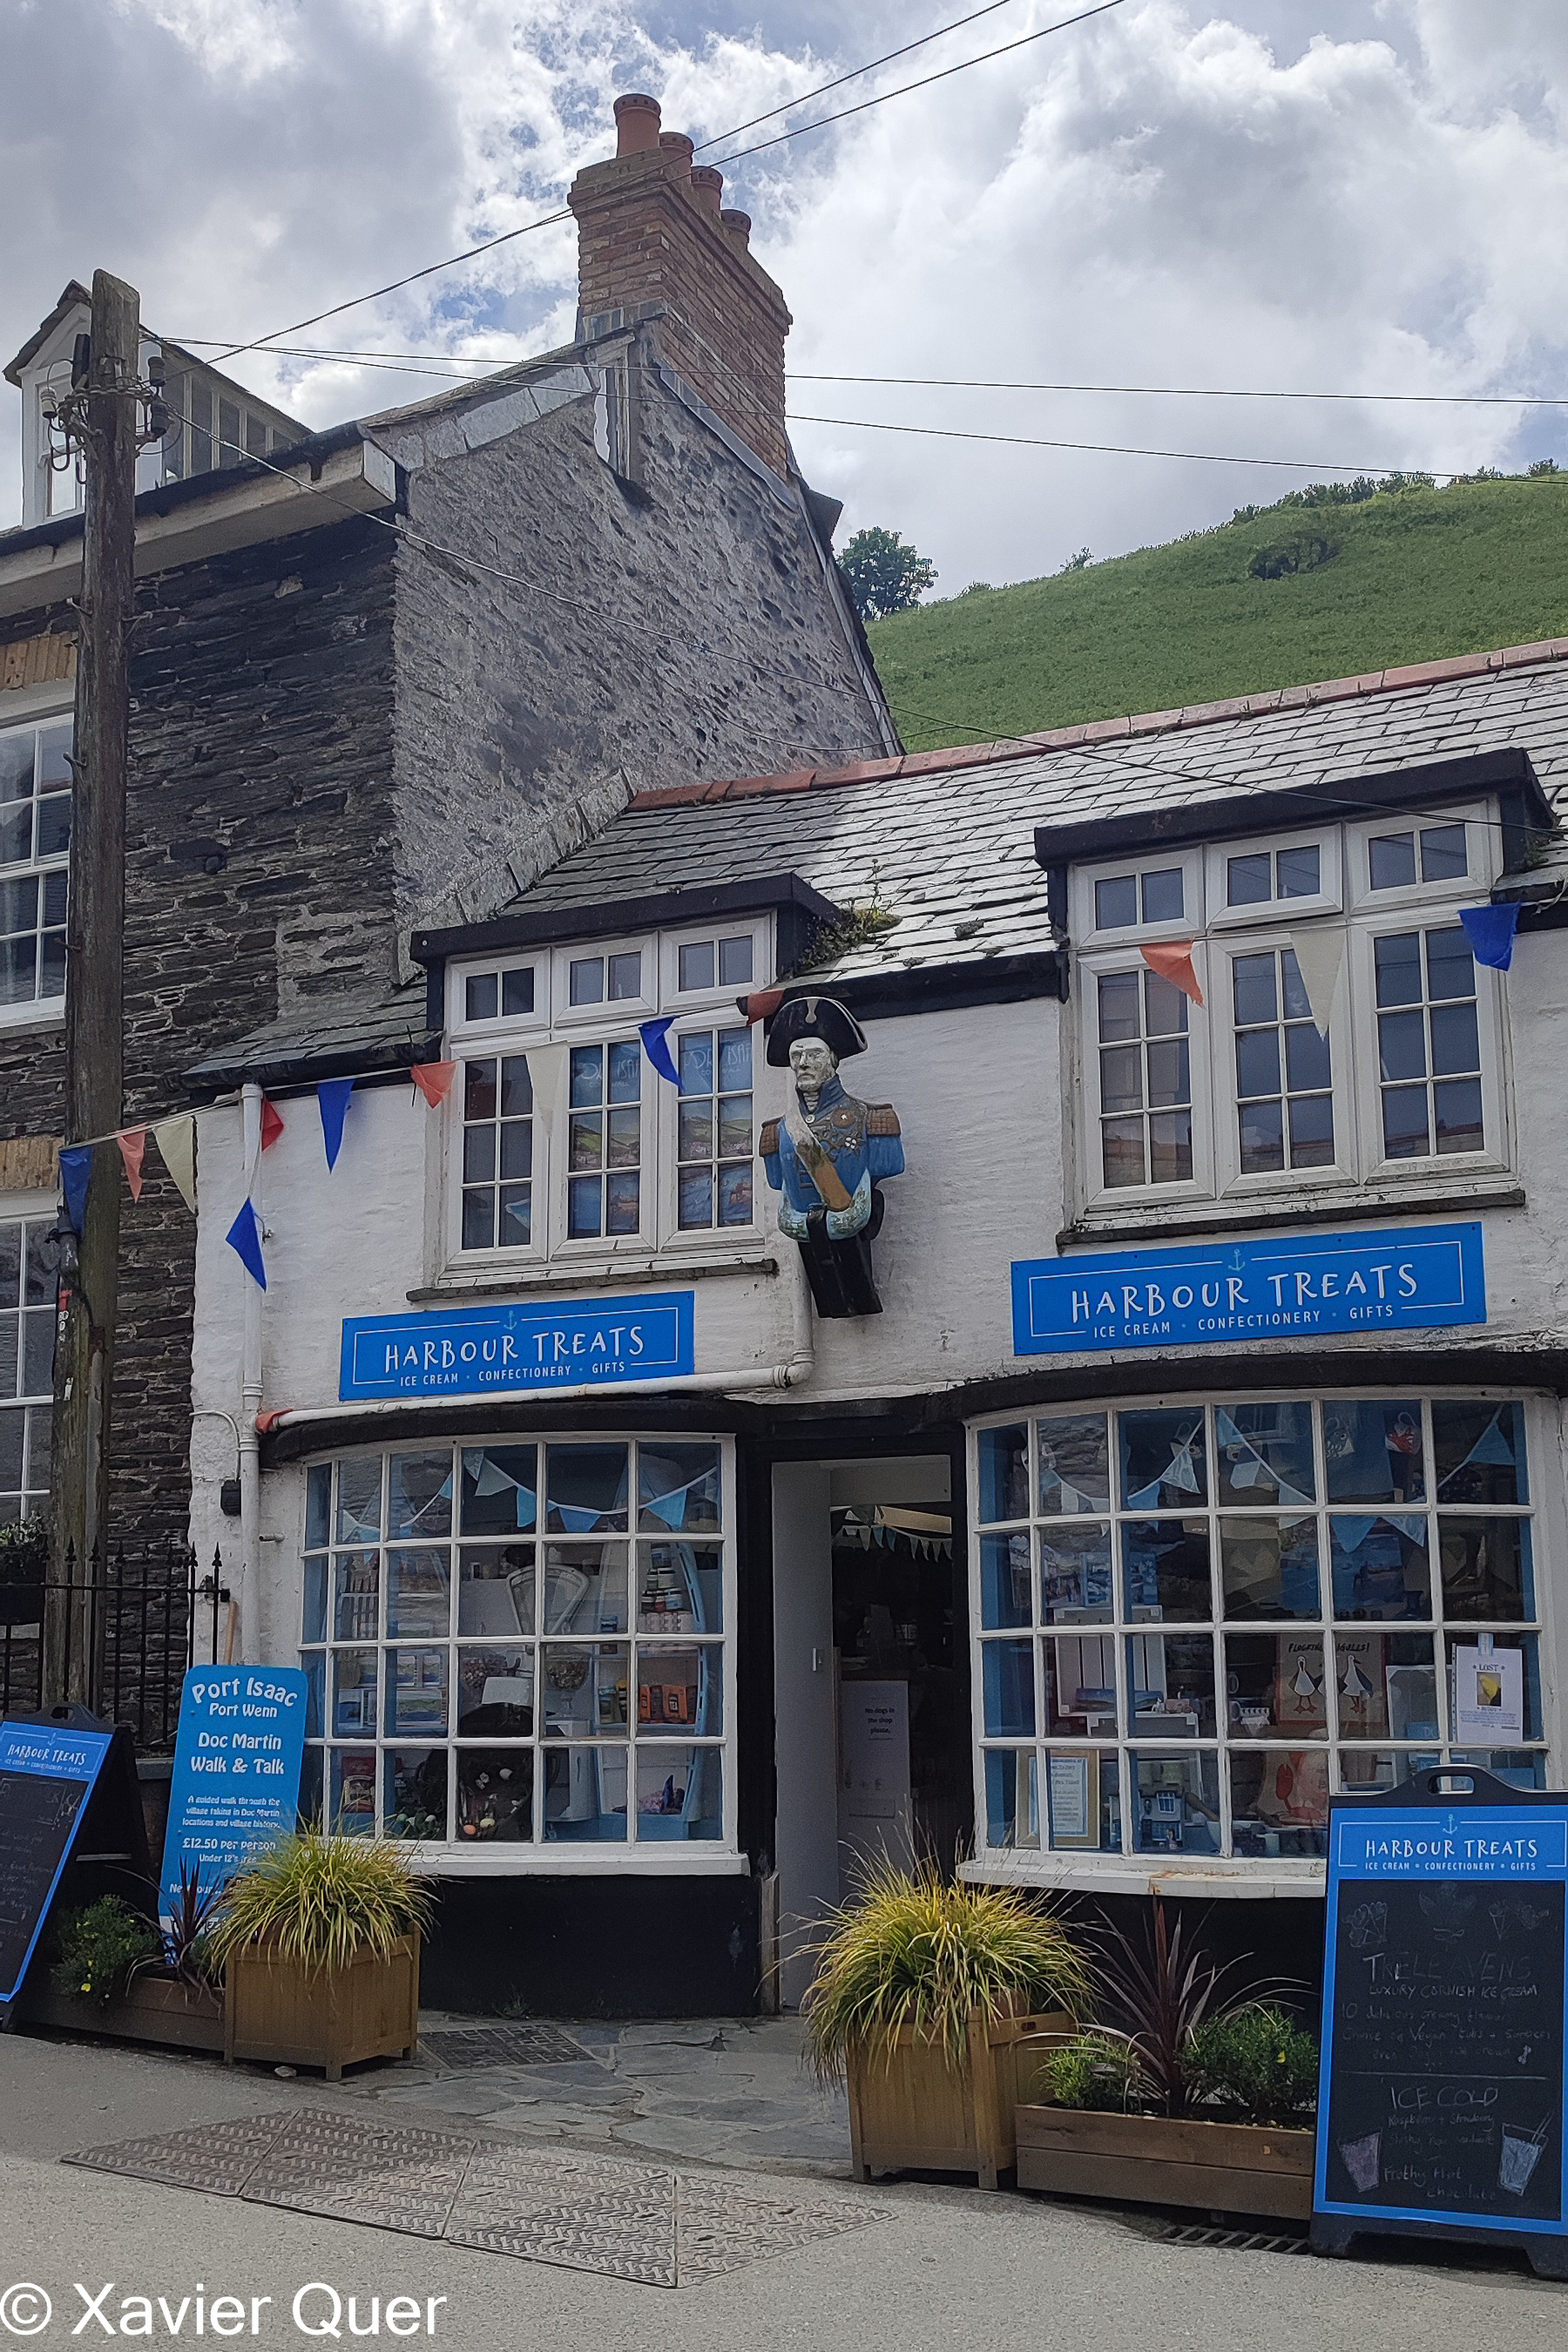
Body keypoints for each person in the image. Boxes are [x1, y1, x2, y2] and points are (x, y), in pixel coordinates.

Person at [759, 995, 904, 1317]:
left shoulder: (872, 1118)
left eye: (814, 1054)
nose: (804, 1063)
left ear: (833, 1059)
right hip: (802, 1228)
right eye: (797, 1055)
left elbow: (886, 1166)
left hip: (854, 1225)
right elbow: (778, 1185)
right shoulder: (777, 1131)